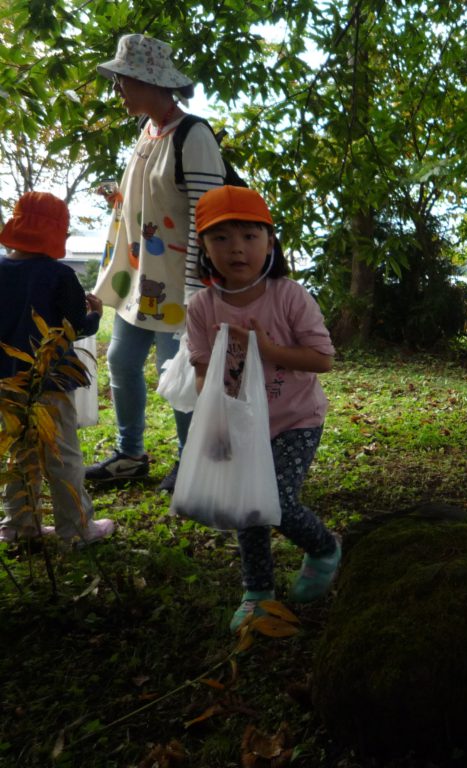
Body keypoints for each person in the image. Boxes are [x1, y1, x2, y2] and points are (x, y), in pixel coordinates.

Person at [185, 185, 341, 631]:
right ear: (204, 248)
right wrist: (214, 418)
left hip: (295, 419)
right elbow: (202, 372)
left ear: (270, 243)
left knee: (276, 501)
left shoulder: (289, 296)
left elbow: (323, 360)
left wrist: (267, 349)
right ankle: (257, 592)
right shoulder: (201, 307)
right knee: (245, 504)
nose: (237, 248)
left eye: (250, 236)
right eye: (221, 238)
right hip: (239, 425)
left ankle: (325, 547)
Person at [86, 34, 227, 492]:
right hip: (141, 278)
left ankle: (192, 462)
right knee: (121, 360)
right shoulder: (148, 131)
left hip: (181, 284)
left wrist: (197, 291)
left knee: (179, 374)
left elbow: (209, 215)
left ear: (152, 83)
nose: (118, 90)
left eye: (123, 81)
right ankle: (130, 454)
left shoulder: (194, 134)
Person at [0, 192, 116, 544]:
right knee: (62, 455)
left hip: (8, 383)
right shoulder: (60, 275)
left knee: (20, 453)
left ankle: (18, 526)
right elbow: (74, 327)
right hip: (50, 382)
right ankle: (77, 529)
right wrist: (95, 314)